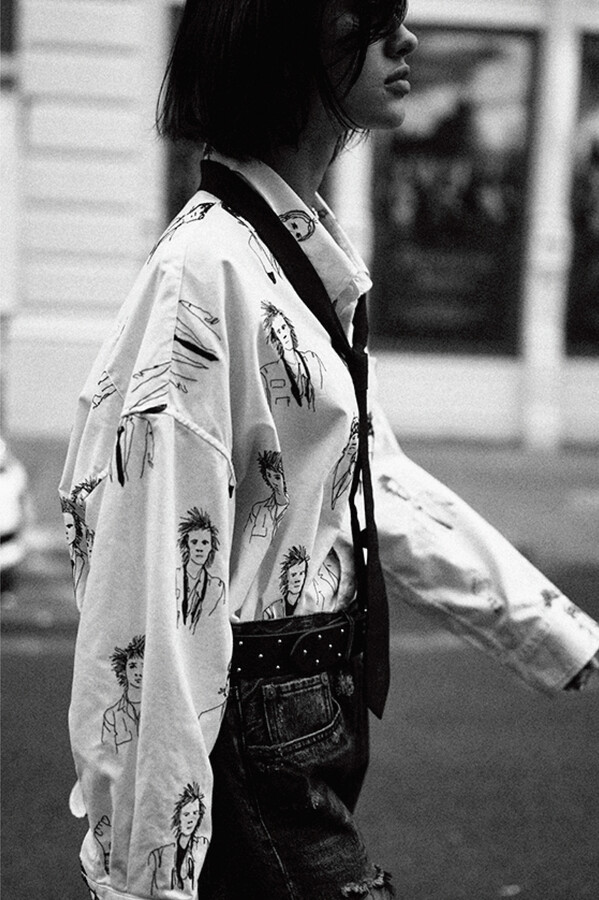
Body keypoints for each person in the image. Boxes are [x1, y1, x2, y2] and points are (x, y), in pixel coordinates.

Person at [59, 2, 599, 898]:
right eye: (369, 17)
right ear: (283, 41)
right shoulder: (206, 273)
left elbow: (368, 481)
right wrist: (145, 874)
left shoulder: (291, 259)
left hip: (306, 714)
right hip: (251, 734)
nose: (404, 39)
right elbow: (150, 583)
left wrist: (550, 631)